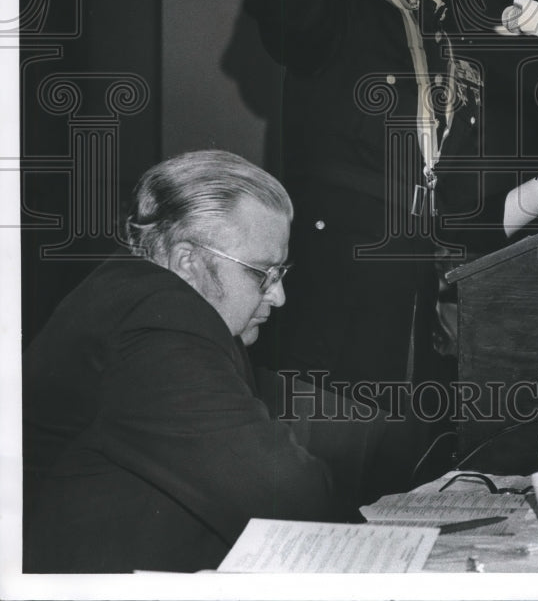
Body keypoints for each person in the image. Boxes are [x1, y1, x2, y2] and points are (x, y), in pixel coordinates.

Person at [245, 0, 538, 398]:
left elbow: (461, 211)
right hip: (335, 305)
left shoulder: (459, 53)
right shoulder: (345, 0)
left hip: (424, 322)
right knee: (327, 481)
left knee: (409, 481)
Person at [23, 150, 370, 573]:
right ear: (188, 263)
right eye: (262, 272)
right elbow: (292, 500)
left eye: (282, 273)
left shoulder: (134, 298)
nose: (278, 296)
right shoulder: (157, 323)